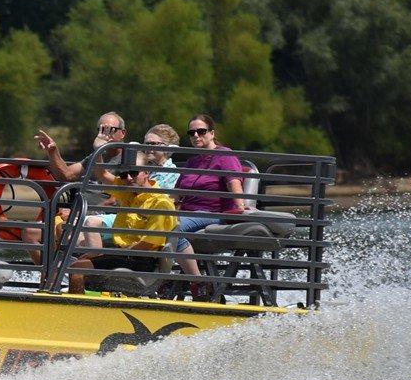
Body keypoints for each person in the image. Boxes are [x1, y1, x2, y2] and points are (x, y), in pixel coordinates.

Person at [168, 113, 251, 296]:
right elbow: (175, 195)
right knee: (156, 225)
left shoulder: (224, 155)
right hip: (189, 212)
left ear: (212, 133)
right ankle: (157, 278)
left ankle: (198, 282)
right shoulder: (192, 161)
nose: (196, 135)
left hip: (213, 212)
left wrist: (240, 205)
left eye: (201, 131)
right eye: (191, 133)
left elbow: (234, 182)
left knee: (172, 228)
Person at [67, 165, 176, 294]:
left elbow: (147, 245)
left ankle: (76, 309)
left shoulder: (160, 203)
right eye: (124, 175)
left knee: (77, 268)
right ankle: (86, 305)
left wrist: (111, 254)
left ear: (146, 172)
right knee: (81, 263)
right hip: (127, 255)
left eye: (134, 173)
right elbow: (102, 174)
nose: (129, 178)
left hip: (141, 260)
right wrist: (99, 148)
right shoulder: (129, 193)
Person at [34, 112, 126, 182]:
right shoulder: (96, 156)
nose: (106, 134)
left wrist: (98, 149)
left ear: (122, 133)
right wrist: (52, 151)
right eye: (102, 130)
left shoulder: (132, 156)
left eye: (111, 130)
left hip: (104, 207)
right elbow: (67, 175)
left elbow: (125, 189)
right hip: (83, 205)